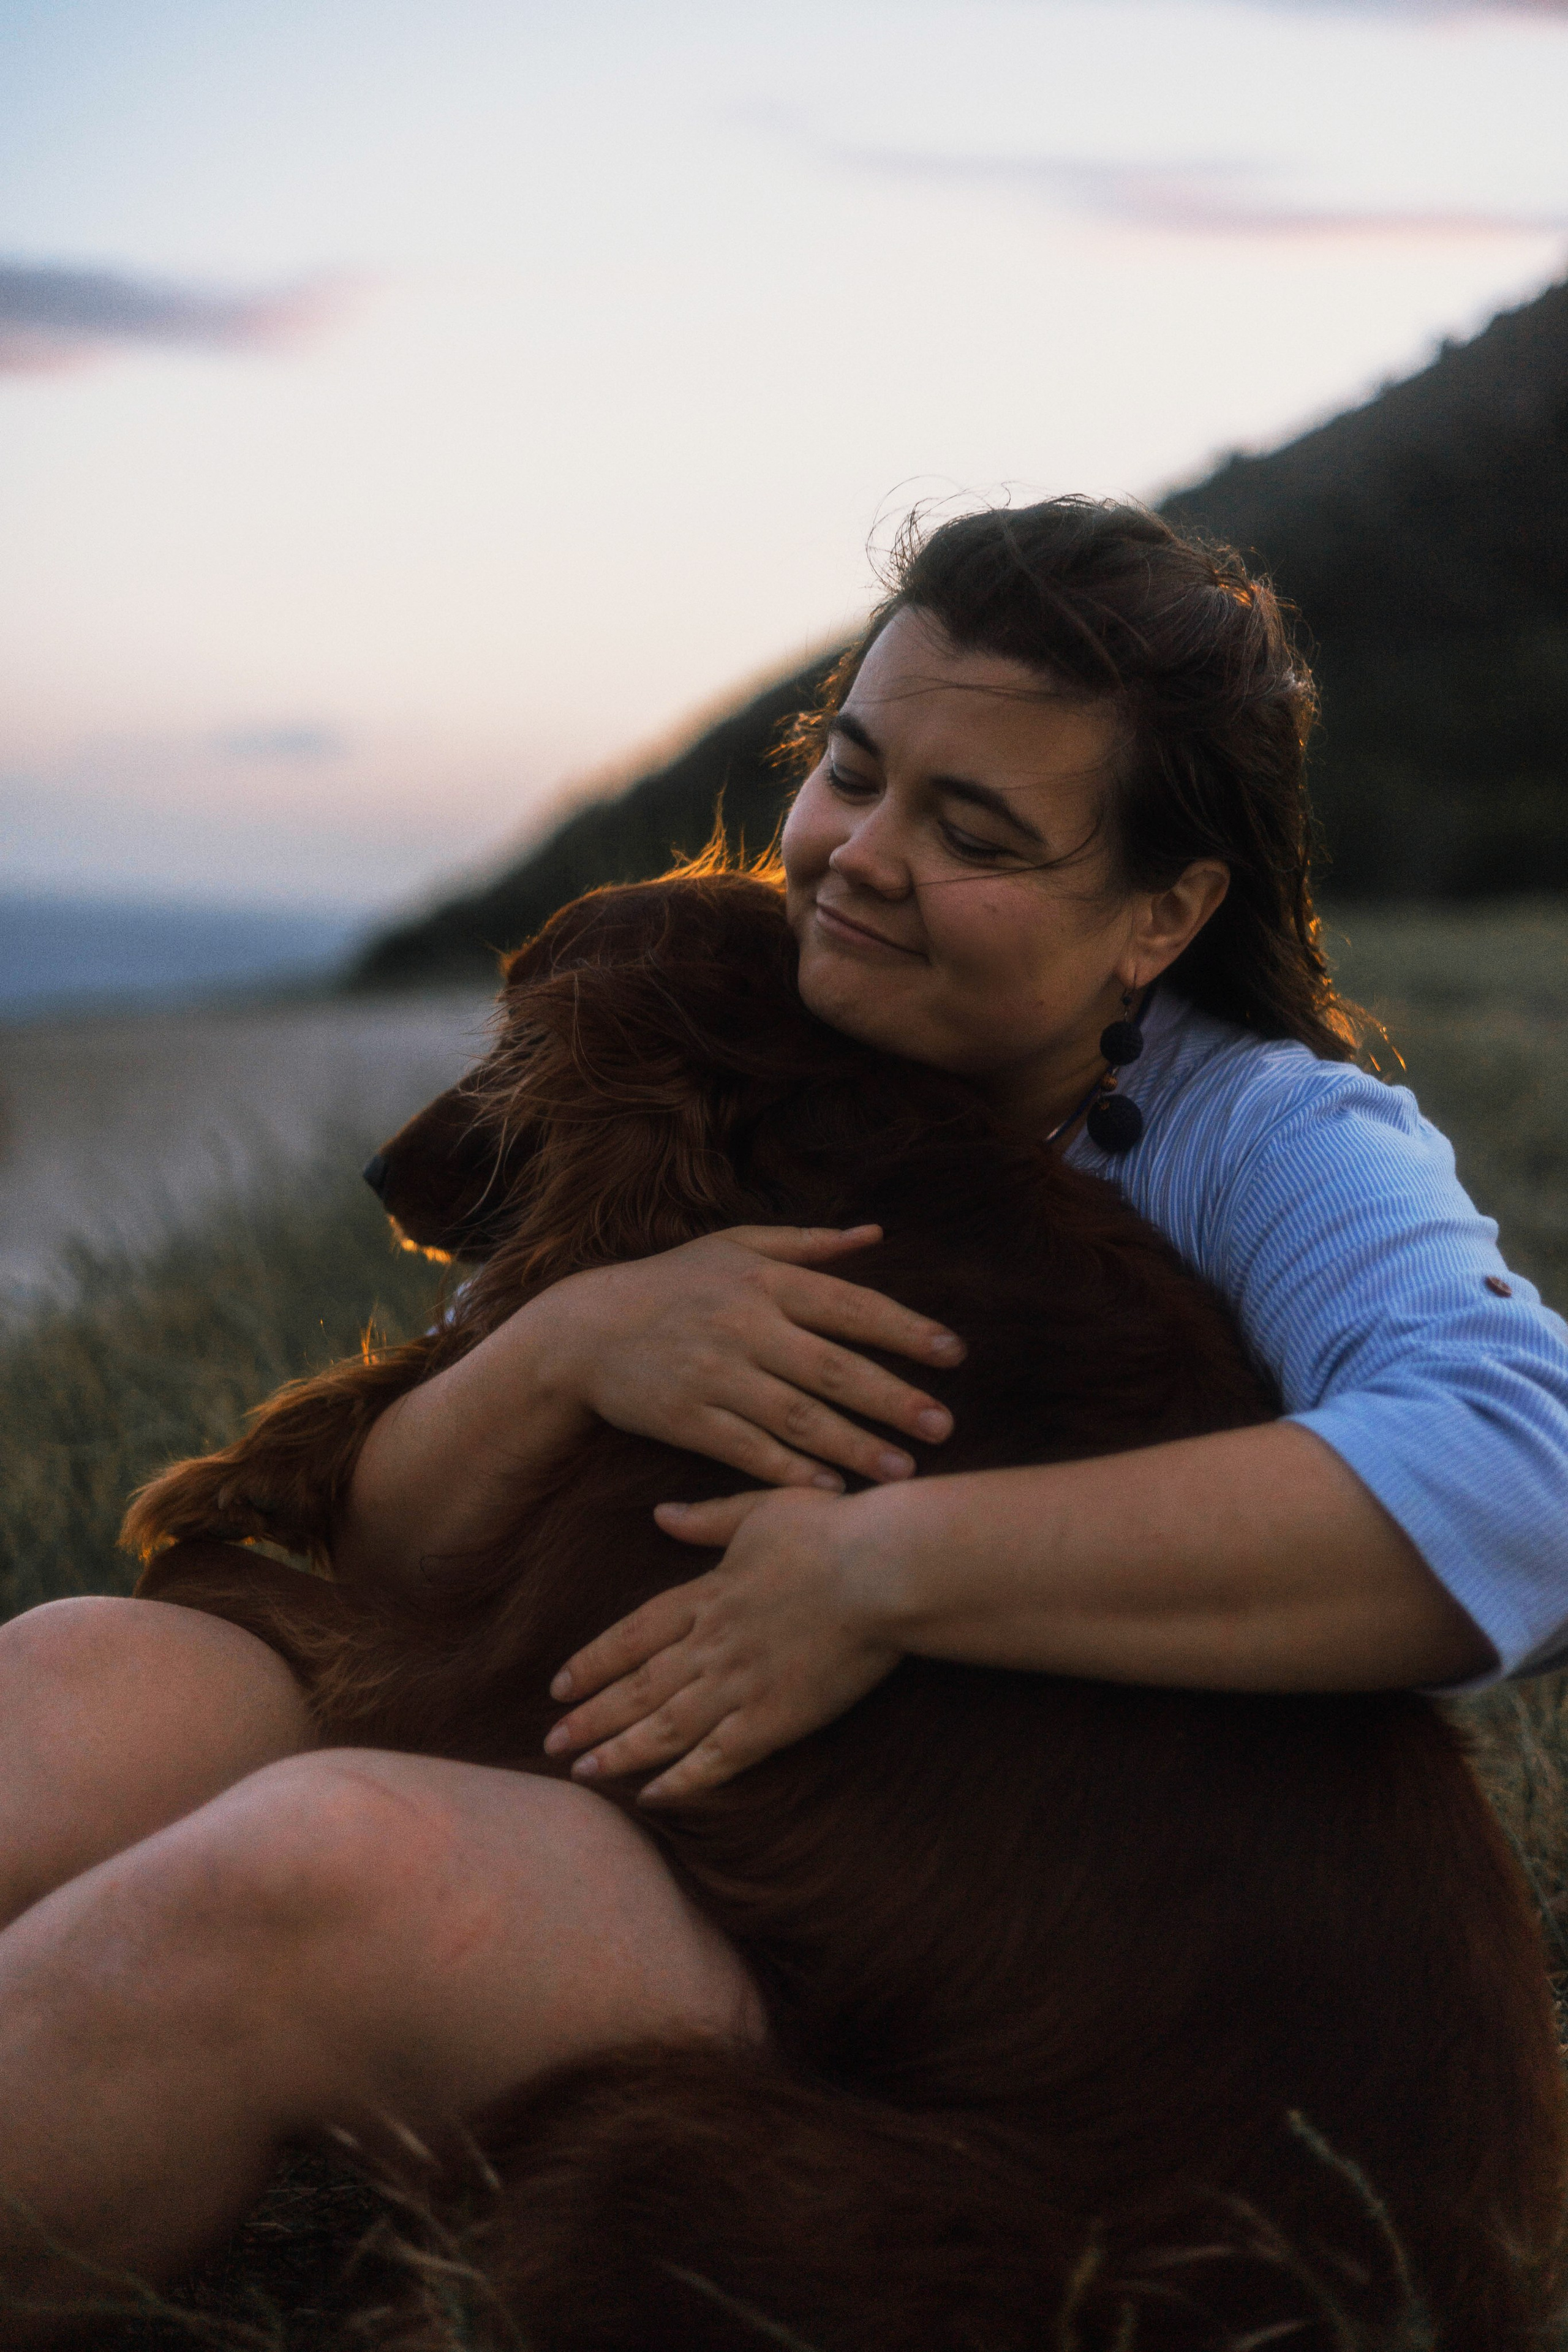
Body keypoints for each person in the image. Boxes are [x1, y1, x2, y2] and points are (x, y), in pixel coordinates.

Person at [1, 497, 1564, 2323]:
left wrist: (876, 1571)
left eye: (973, 830)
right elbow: (405, 1552)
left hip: (992, 1991)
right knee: (84, 1675)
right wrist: (575, 1342)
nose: (859, 859)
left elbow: (1522, 1472)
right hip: (734, 1808)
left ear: (1162, 914)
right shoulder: (746, 1015)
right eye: (855, 770)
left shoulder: (1263, 1134)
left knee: (322, 1870)